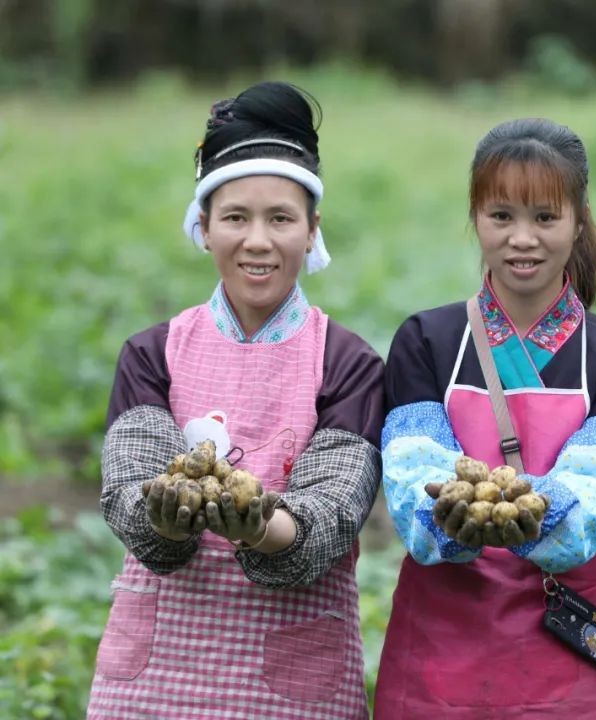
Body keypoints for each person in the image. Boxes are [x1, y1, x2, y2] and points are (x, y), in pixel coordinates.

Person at [88, 81, 383, 719]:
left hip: (292, 682)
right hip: (154, 680)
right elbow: (131, 488)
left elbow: (331, 514)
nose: (258, 241)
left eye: (281, 218)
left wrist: (260, 525)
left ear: (311, 230)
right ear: (204, 227)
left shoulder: (349, 363)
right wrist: (164, 517)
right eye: (235, 218)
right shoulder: (152, 352)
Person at [373, 118, 596, 718]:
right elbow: (410, 473)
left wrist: (521, 512)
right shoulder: (426, 340)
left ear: (579, 222)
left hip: (573, 652)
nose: (522, 238)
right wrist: (453, 514)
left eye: (544, 218)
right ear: (475, 219)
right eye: (501, 216)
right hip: (442, 655)